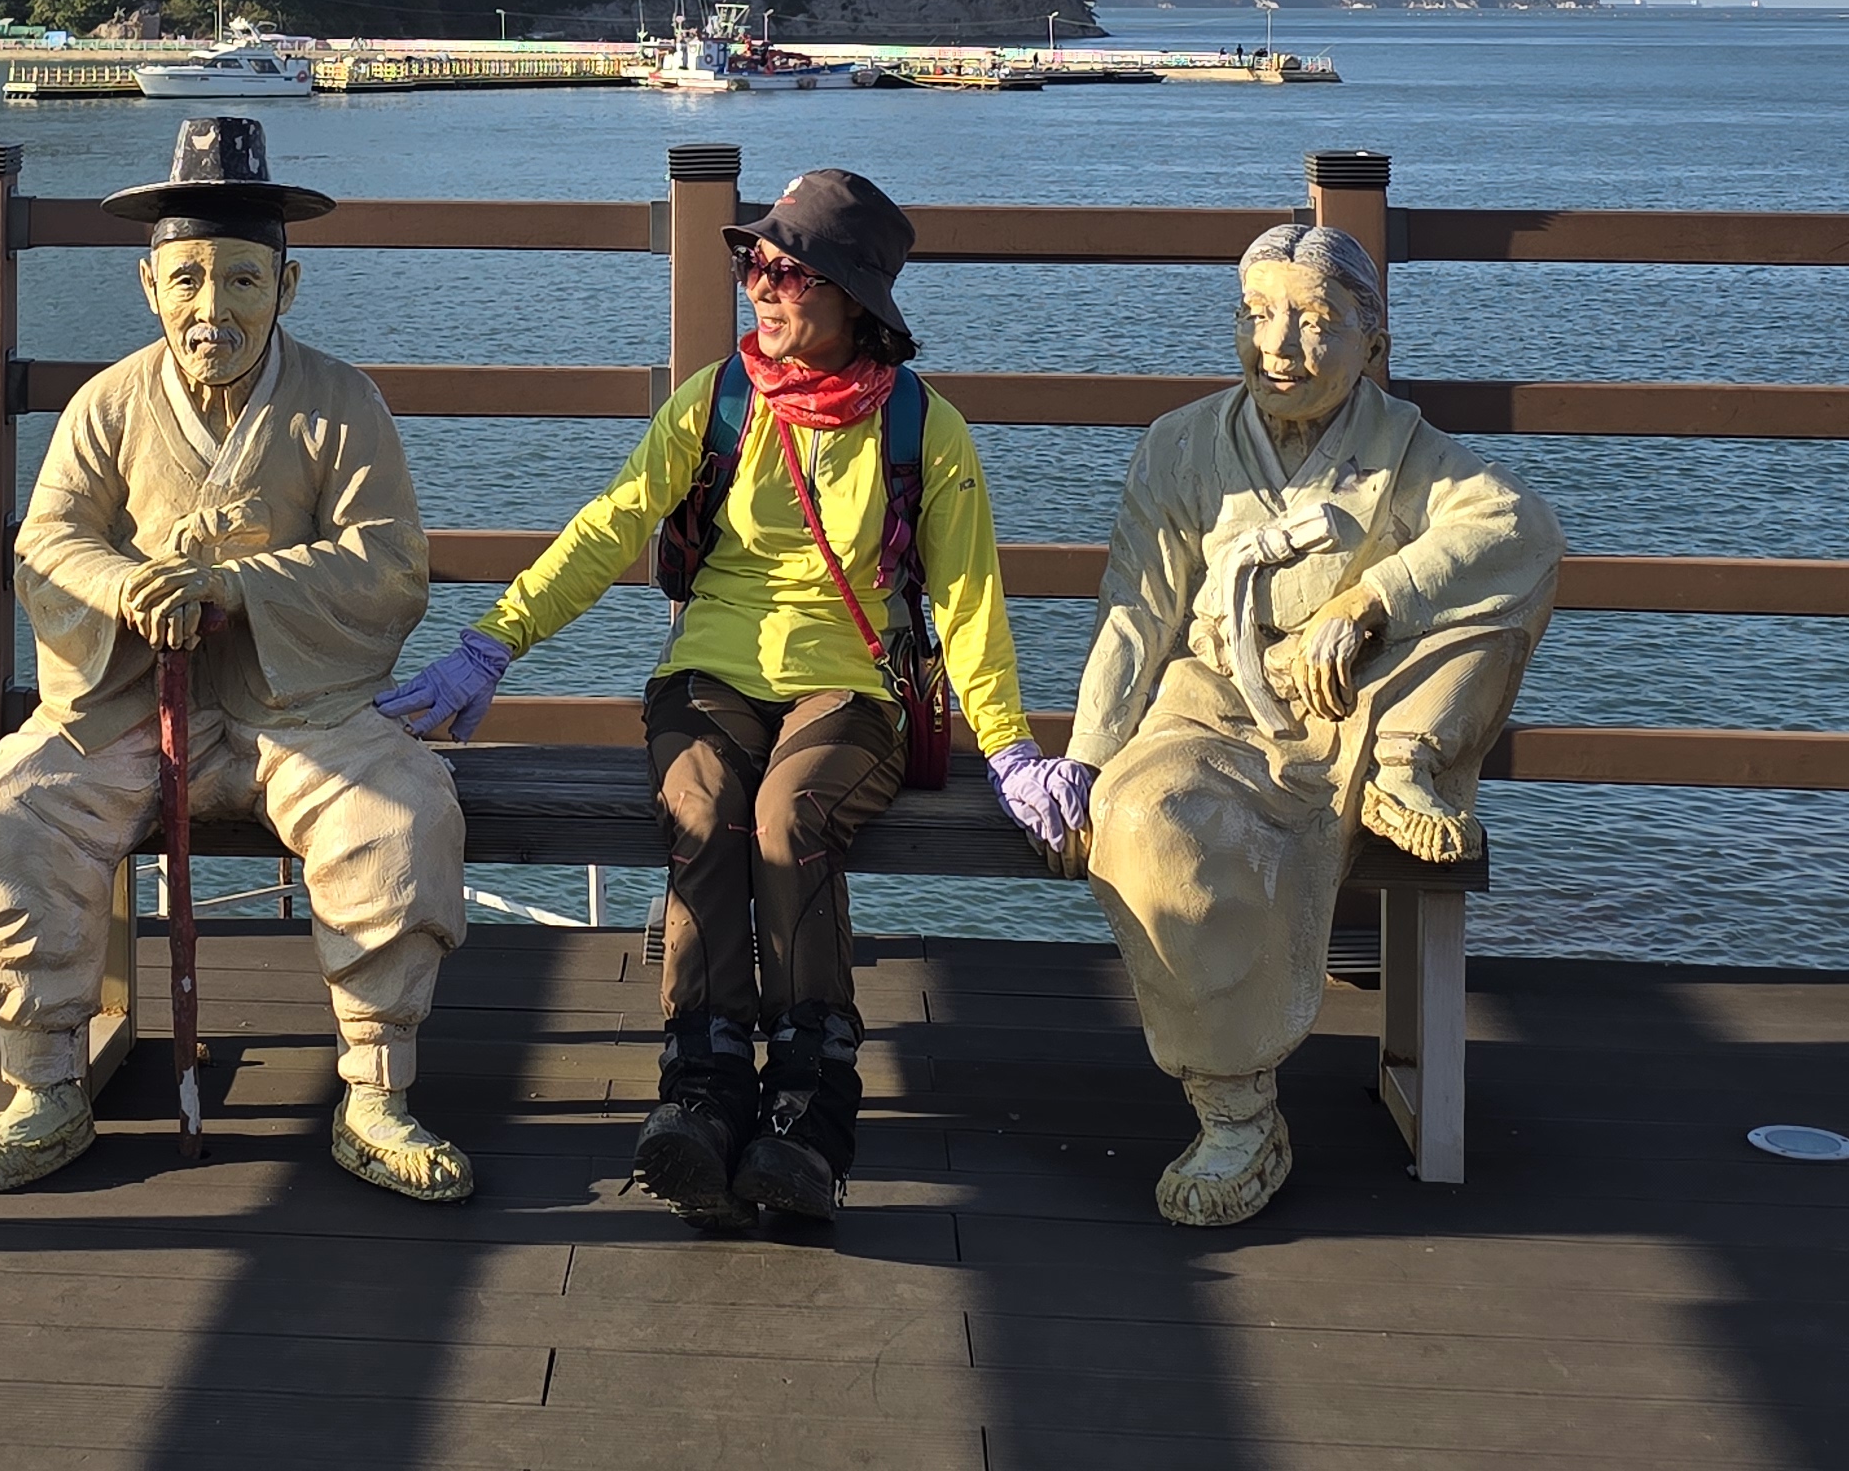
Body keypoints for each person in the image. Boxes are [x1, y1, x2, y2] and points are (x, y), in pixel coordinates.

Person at [379, 167, 1079, 1229]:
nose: (761, 286)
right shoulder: (717, 401)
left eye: (789, 272)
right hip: (706, 674)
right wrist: (493, 644)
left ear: (854, 299)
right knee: (703, 809)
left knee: (790, 817)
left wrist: (1012, 749)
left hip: (852, 685)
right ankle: (701, 1090)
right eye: (755, 263)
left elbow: (970, 596)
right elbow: (613, 522)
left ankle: (809, 1107)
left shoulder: (921, 429)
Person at [0, 116, 475, 1202]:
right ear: (149, 286)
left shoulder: (341, 403)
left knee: (399, 820)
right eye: (186, 279)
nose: (211, 308)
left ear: (288, 286)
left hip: (302, 706)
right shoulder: (109, 403)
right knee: (11, 810)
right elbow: (50, 540)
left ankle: (376, 1090)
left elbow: (388, 561)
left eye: (242, 279)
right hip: (133, 699)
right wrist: (126, 588)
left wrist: (240, 587)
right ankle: (43, 1080)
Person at [1044, 219, 1561, 1227]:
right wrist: (1088, 760)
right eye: (1257, 315)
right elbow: (1135, 613)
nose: (1279, 345)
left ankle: (1404, 765)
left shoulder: (1408, 451)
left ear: (1372, 340)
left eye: (1315, 321)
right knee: (1144, 817)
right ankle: (1235, 1111)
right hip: (1218, 701)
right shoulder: (1182, 445)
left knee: (1493, 602)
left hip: (1363, 703)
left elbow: (1519, 526)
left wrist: (1369, 602)